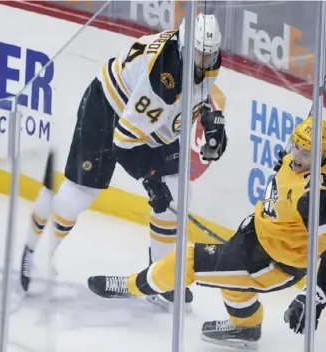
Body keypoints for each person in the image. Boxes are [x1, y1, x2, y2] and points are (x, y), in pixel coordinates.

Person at [87, 117, 326, 350]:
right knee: (228, 277)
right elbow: (311, 132)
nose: (296, 155)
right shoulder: (324, 152)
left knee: (190, 260)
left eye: (305, 152)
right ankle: (247, 327)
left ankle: (132, 286)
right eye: (295, 145)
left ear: (320, 153)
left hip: (273, 263)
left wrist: (314, 299)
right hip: (258, 237)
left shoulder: (318, 199)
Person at [20, 13, 227, 313]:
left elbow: (197, 95)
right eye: (200, 53)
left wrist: (210, 122)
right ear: (184, 46)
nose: (206, 60)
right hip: (109, 109)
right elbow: (125, 141)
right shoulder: (163, 79)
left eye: (210, 54)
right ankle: (34, 248)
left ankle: (160, 280)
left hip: (155, 119)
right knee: (80, 192)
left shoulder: (204, 61)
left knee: (178, 191)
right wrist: (150, 179)